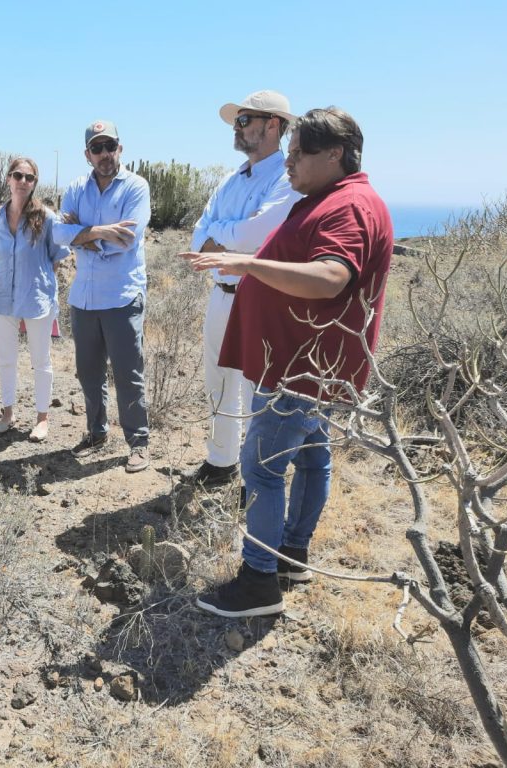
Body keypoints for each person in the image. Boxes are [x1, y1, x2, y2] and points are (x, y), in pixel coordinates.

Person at [182, 107, 393, 617]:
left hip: (303, 365)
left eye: (299, 153)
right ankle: (292, 555)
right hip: (306, 359)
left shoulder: (348, 206)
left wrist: (247, 263)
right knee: (310, 455)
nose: (290, 162)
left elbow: (329, 277)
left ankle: (258, 582)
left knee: (261, 465)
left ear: (335, 155)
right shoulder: (328, 197)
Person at [186, 91, 301, 489]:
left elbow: (258, 234)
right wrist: (225, 238)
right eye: (238, 121)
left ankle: (257, 476)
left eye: (244, 120)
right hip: (222, 292)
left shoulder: (287, 177)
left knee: (258, 386)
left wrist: (221, 237)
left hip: (260, 296)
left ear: (273, 125)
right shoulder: (232, 179)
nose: (238, 128)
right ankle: (221, 461)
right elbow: (199, 232)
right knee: (218, 379)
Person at [52, 120, 152, 473]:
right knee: (88, 372)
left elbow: (128, 238)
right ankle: (96, 431)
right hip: (85, 298)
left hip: (122, 296)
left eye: (110, 145)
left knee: (128, 373)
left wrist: (85, 237)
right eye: (97, 148)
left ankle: (138, 442)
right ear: (87, 154)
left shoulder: (136, 187)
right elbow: (60, 232)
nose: (105, 154)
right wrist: (98, 232)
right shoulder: (77, 188)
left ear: (120, 148)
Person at [0, 157, 71, 442]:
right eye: (17, 175)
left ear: (35, 182)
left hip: (36, 299)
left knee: (40, 360)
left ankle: (42, 418)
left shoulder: (46, 218)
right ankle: (8, 413)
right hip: (2, 298)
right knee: (6, 359)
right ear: (8, 179)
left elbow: (57, 258)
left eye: (29, 177)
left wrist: (38, 283)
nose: (23, 182)